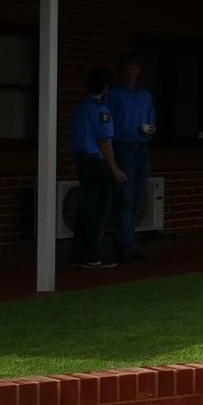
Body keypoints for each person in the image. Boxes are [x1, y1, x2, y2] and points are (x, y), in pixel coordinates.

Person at [105, 51, 158, 263]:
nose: (130, 71)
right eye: (126, 67)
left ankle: (130, 242)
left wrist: (152, 129)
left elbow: (152, 118)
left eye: (133, 67)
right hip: (124, 146)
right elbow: (107, 123)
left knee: (137, 198)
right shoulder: (115, 94)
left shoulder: (145, 95)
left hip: (142, 147)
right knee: (125, 199)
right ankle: (124, 246)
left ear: (139, 69)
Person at [67, 66, 121, 268]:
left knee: (85, 209)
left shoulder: (79, 107)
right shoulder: (101, 110)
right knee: (98, 211)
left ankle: (78, 253)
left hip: (82, 162)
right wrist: (114, 167)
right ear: (105, 88)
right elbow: (104, 142)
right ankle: (92, 255)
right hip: (97, 162)